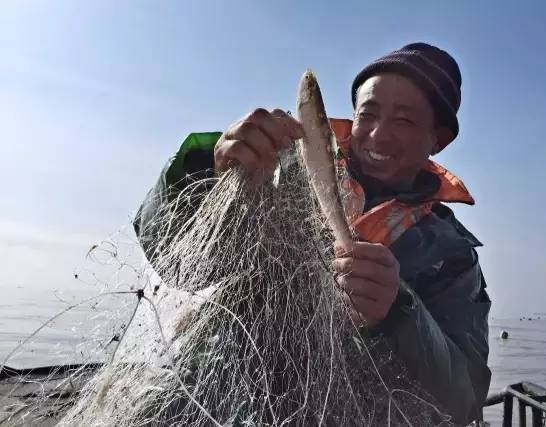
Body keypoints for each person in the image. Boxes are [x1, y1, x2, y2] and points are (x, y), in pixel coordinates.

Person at [134, 42, 491, 424]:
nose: (377, 135)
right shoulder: (279, 173)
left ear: (437, 139)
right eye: (367, 114)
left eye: (404, 121)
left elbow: (463, 399)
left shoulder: (451, 257)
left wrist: (400, 312)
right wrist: (208, 170)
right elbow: (177, 262)